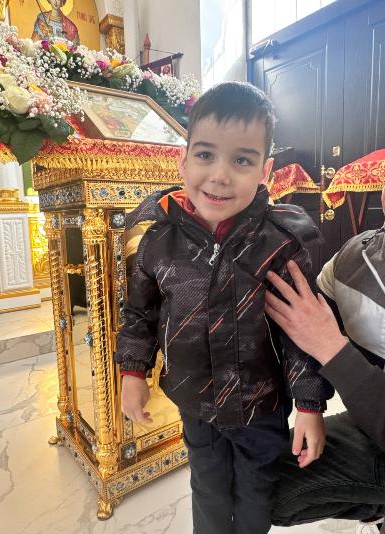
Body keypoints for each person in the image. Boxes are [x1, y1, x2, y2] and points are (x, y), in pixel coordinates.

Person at [114, 81, 334, 534]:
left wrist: (310, 404)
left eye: (242, 160)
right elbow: (139, 315)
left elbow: (300, 335)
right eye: (205, 154)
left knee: (256, 500)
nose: (219, 175)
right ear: (183, 160)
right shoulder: (158, 240)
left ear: (265, 170)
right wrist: (132, 373)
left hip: (261, 405)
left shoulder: (281, 243)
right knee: (208, 491)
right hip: (194, 400)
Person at [265, 188, 385, 533]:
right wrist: (309, 404)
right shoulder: (357, 253)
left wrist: (332, 349)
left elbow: (321, 339)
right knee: (262, 481)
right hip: (374, 416)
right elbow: (306, 320)